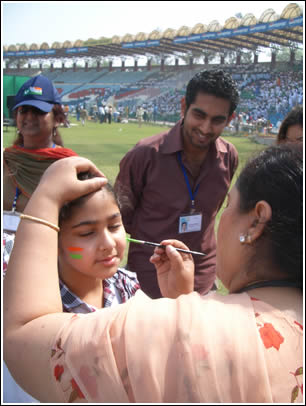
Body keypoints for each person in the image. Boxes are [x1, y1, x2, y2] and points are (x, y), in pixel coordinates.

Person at [4, 145, 303, 402]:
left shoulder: (128, 287)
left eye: (114, 226)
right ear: (54, 242)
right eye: (86, 233)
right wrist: (182, 302)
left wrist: (45, 197)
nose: (108, 244)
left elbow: (25, 339)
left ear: (256, 222)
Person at [114, 70, 239, 298]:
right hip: (148, 282)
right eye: (199, 115)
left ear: (230, 119)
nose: (206, 128)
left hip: (203, 282)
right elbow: (121, 220)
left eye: (217, 120)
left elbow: (212, 213)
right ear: (184, 106)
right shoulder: (145, 155)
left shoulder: (229, 156)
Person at [2, 74, 78, 403]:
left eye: (37, 111)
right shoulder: (5, 161)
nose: (28, 118)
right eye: (22, 111)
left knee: (38, 355)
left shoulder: (70, 167)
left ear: (56, 116)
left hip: (48, 278)